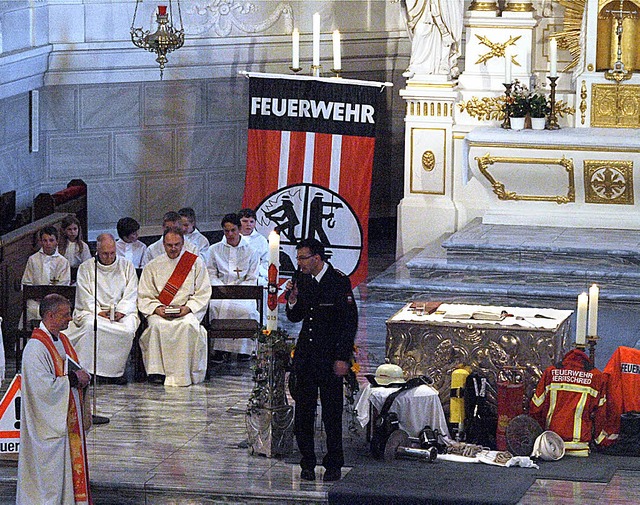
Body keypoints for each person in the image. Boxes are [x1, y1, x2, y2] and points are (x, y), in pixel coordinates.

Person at [285, 238, 358, 482]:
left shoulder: (338, 281)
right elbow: (297, 317)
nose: (299, 263)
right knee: (304, 412)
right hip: (307, 356)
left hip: (329, 356)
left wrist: (342, 357)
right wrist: (293, 298)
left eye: (303, 258)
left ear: (317, 258)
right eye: (298, 258)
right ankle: (307, 461)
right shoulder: (302, 280)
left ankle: (334, 463)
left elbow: (349, 323)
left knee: (331, 413)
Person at [16, 293, 92, 505]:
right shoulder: (35, 349)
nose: (70, 318)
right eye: (65, 315)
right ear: (50, 315)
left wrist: (80, 377)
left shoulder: (63, 340)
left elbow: (70, 370)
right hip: (48, 429)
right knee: (48, 483)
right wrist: (74, 379)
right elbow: (42, 391)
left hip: (65, 425)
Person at [138, 226, 211, 386]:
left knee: (187, 326)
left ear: (183, 243)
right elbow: (145, 295)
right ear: (163, 245)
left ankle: (184, 374)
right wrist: (157, 309)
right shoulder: (153, 266)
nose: (173, 248)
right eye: (169, 245)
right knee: (156, 326)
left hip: (186, 311)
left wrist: (188, 308)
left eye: (177, 244)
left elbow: (203, 292)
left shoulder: (195, 263)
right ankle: (157, 372)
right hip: (160, 311)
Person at [66, 233, 140, 385]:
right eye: (105, 253)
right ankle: (91, 372)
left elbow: (132, 292)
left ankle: (116, 373)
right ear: (97, 251)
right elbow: (84, 296)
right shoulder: (86, 268)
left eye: (112, 253)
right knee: (90, 326)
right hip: (93, 311)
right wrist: (98, 312)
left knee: (126, 330)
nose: (109, 256)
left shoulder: (126, 266)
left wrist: (121, 310)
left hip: (121, 312)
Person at [206, 213, 261, 362]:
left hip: (244, 293)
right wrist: (222, 287)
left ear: (239, 229)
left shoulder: (251, 251)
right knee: (214, 309)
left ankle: (244, 350)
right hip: (220, 291)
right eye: (226, 231)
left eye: (233, 230)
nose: (230, 234)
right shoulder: (214, 250)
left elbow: (252, 277)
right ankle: (219, 350)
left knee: (246, 310)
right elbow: (210, 272)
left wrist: (237, 290)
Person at [21, 225, 71, 325]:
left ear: (57, 242)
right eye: (45, 240)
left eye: (51, 240)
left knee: (56, 312)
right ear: (41, 242)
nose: (48, 244)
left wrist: (49, 298)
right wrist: (36, 295)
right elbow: (26, 283)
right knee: (31, 310)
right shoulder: (33, 259)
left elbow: (64, 285)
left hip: (55, 303)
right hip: (35, 302)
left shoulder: (63, 262)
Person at [402, 0, 464, 79]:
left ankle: (444, 62)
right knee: (420, 30)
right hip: (423, 6)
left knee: (447, 27)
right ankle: (416, 64)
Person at [238, 207, 268, 286]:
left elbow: (266, 261)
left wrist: (254, 270)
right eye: (245, 221)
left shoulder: (261, 240)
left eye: (252, 221)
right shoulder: (231, 237)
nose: (248, 224)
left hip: (255, 276)